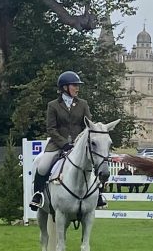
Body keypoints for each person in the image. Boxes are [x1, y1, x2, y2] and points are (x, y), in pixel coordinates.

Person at [30, 71, 106, 209]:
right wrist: (64, 144)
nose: (77, 88)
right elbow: (51, 129)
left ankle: (99, 194)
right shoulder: (53, 105)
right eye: (74, 85)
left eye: (78, 86)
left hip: (79, 145)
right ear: (65, 87)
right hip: (58, 145)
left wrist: (79, 142)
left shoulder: (83, 104)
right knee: (42, 167)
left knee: (94, 162)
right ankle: (38, 194)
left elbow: (89, 126)